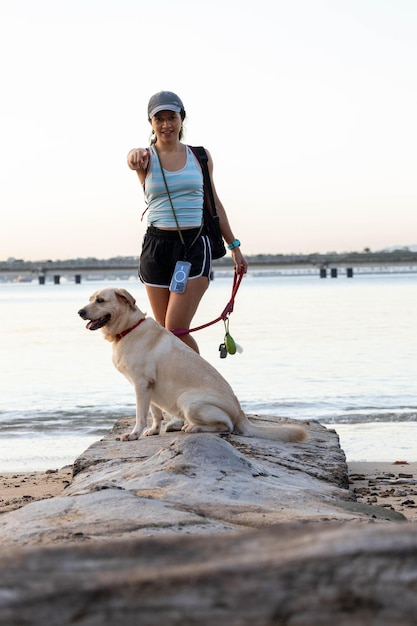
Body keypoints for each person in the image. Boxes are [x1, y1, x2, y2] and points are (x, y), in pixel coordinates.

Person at [127, 90, 247, 354]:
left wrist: (234, 247)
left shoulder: (200, 156)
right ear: (151, 123)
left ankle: (206, 388)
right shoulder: (144, 159)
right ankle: (180, 393)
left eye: (172, 117)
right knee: (163, 333)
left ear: (182, 119)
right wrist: (133, 154)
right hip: (156, 247)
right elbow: (131, 159)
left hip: (194, 245)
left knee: (175, 330)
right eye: (159, 119)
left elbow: (213, 203)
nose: (166, 124)